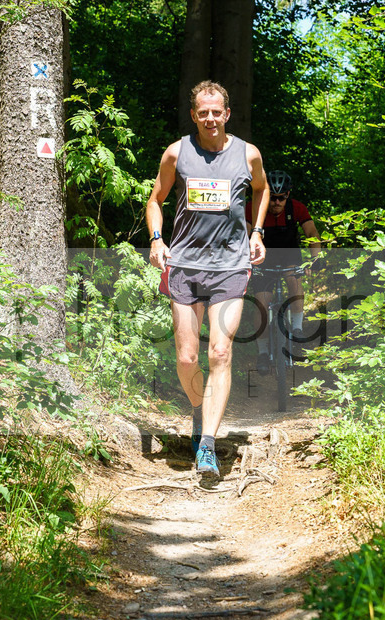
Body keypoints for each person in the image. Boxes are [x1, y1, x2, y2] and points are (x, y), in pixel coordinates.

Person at [146, 81, 268, 478]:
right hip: (184, 265)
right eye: (203, 112)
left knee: (219, 351)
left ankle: (208, 446)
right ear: (194, 114)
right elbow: (155, 200)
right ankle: (199, 407)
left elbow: (262, 190)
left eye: (217, 112)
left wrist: (257, 232)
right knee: (187, 358)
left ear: (227, 114)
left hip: (230, 266)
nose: (210, 118)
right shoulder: (177, 153)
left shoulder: (248, 154)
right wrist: (156, 239)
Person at [250, 170, 321, 375]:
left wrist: (315, 258)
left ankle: (297, 329)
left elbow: (312, 233)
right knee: (262, 304)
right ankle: (263, 352)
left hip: (290, 257)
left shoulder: (297, 208)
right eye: (272, 197)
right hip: (263, 260)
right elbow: (244, 235)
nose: (276, 202)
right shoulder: (254, 208)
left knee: (294, 281)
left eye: (281, 198)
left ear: (288, 195)